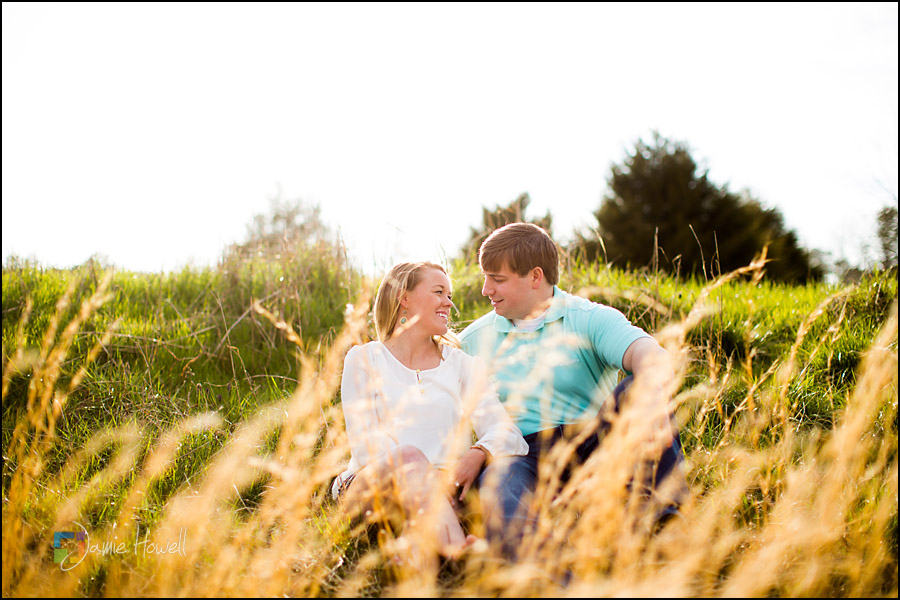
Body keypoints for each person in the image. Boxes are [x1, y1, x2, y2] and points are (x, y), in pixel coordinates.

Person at [459, 223, 688, 557]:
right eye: (485, 277)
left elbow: (652, 357)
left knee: (642, 386)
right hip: (520, 453)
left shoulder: (589, 318)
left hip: (594, 441)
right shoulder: (472, 340)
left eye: (497, 279)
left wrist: (653, 388)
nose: (485, 289)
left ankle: (666, 530)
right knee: (503, 496)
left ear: (535, 277)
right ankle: (542, 570)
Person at [333, 261, 528, 563]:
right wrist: (426, 475)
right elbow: (367, 443)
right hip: (371, 486)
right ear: (404, 298)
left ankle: (416, 549)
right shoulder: (364, 359)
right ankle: (461, 554)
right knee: (409, 457)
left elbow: (507, 432)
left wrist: (478, 452)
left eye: (449, 295)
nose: (449, 302)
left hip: (450, 491)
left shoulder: (463, 365)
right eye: (439, 292)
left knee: (498, 475)